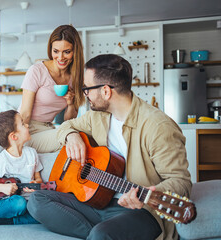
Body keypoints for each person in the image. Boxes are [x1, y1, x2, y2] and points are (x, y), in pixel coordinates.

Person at [27, 54, 192, 240]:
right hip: (99, 201)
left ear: (106, 91)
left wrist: (145, 195)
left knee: (101, 234)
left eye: (87, 89)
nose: (85, 94)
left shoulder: (158, 126)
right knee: (36, 200)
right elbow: (67, 125)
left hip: (140, 211)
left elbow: (180, 181)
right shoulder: (98, 116)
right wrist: (71, 136)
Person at [18, 24, 85, 153]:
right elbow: (24, 113)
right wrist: (18, 142)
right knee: (72, 136)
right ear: (51, 49)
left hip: (49, 128)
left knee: (75, 135)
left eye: (67, 52)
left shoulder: (75, 78)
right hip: (27, 129)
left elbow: (69, 121)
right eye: (56, 51)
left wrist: (70, 104)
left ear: (75, 51)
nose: (60, 57)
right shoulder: (37, 71)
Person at [0, 110, 43, 228]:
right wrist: (2, 187)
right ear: (14, 136)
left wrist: (36, 183)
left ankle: (1, 221)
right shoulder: (1, 161)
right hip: (9, 203)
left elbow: (38, 178)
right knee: (18, 203)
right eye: (22, 123)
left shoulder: (32, 153)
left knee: (44, 213)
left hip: (30, 201)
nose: (27, 125)